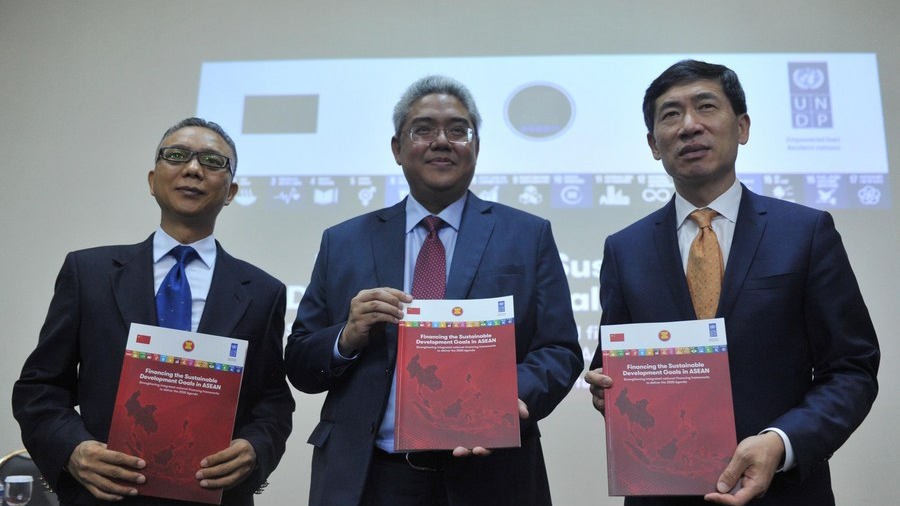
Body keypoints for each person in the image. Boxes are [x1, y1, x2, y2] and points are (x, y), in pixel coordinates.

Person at [584, 59, 880, 506]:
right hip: (662, 491)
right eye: (671, 114)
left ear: (742, 127)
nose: (689, 126)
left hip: (784, 493)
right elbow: (612, 363)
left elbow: (851, 369)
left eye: (706, 106)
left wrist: (782, 442)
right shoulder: (625, 249)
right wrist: (607, 387)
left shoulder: (804, 233)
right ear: (653, 144)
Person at [284, 75, 583, 506]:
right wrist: (346, 337)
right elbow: (299, 362)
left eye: (458, 130)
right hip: (369, 478)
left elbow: (559, 350)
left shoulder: (527, 235)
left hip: (491, 475)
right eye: (423, 129)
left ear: (475, 147)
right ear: (397, 149)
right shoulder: (344, 242)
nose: (441, 141)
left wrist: (504, 397)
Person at [12, 118, 295, 506]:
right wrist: (73, 450)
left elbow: (272, 403)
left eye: (212, 161)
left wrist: (255, 449)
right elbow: (40, 388)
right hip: (104, 495)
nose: (193, 168)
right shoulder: (89, 273)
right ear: (152, 179)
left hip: (210, 495)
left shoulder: (263, 292)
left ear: (231, 192)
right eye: (177, 155)